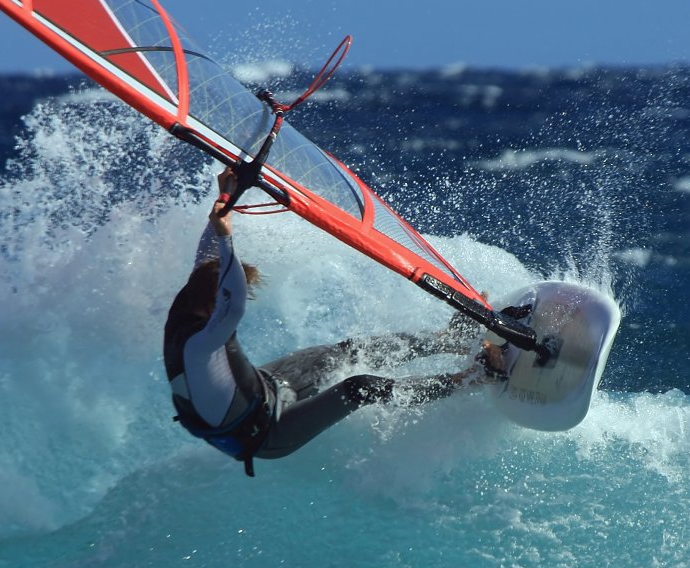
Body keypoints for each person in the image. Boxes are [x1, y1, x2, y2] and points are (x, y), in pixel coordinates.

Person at [163, 168, 500, 477]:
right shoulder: (203, 341)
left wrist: (227, 202)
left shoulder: (190, 304)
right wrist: (227, 239)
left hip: (264, 387)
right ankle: (471, 378)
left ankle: (446, 340)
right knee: (360, 388)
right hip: (266, 433)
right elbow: (233, 300)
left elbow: (207, 261)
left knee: (348, 352)